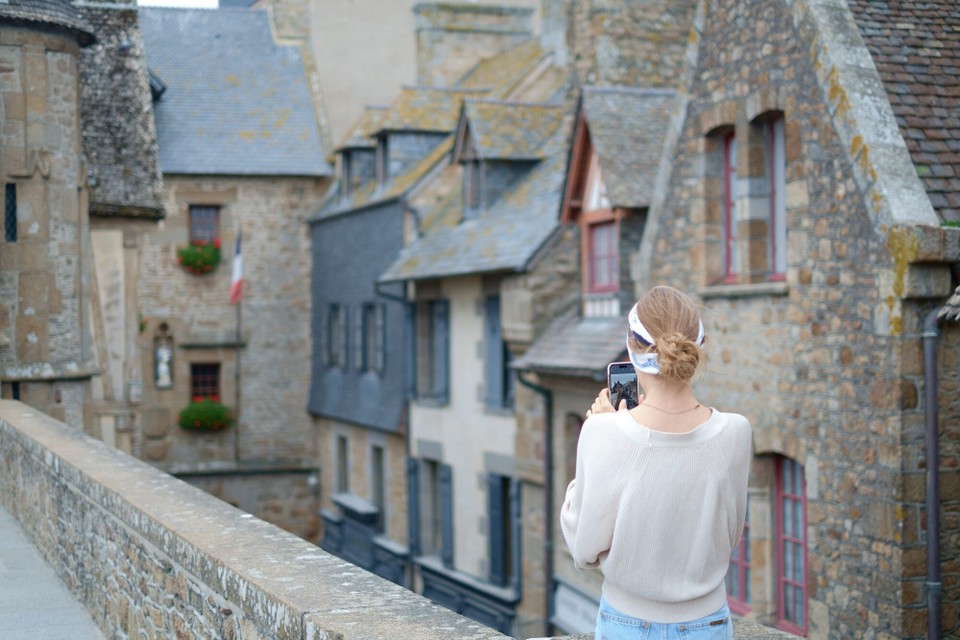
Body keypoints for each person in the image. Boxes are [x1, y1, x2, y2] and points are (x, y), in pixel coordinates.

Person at [560, 285, 752, 640]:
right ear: (699, 347)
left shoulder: (603, 433)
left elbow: (584, 549)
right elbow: (729, 535)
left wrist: (601, 436)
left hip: (627, 624)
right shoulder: (736, 433)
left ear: (632, 352)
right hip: (707, 623)